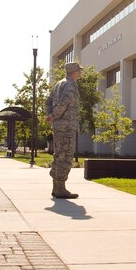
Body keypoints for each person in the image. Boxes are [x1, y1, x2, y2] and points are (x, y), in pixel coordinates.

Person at [45, 62, 82, 199]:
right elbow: (64, 103)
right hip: (66, 126)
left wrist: (50, 115)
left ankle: (56, 187)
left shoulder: (58, 84)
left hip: (58, 126)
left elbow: (48, 101)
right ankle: (60, 188)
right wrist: (54, 115)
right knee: (65, 156)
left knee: (58, 155)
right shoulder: (70, 85)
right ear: (73, 71)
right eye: (79, 70)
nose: (80, 72)